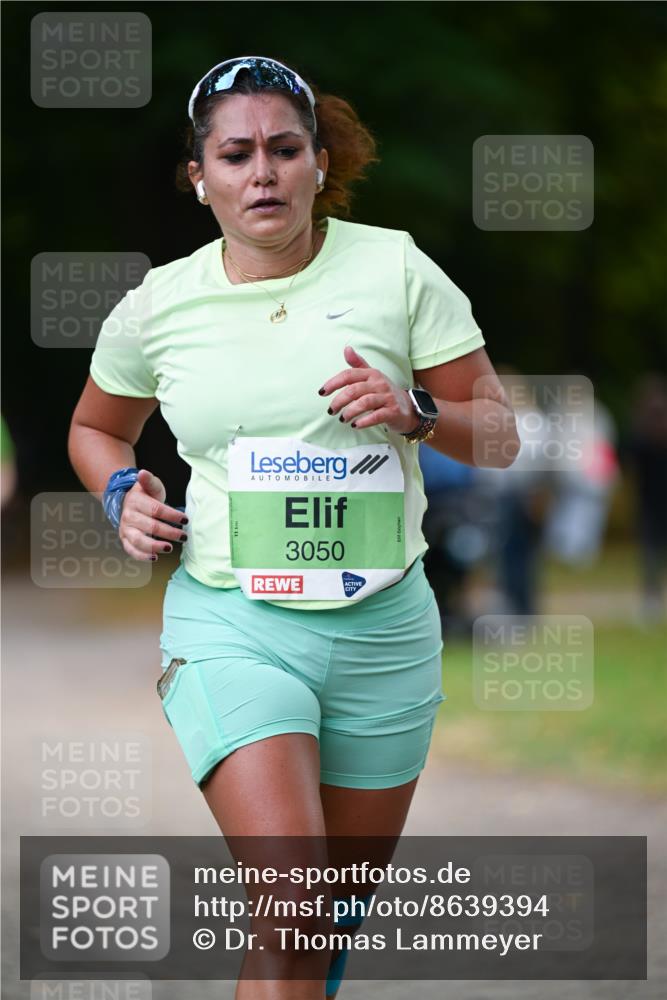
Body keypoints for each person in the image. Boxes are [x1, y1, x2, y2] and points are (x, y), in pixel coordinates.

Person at [68, 55, 519, 1000]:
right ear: (200, 178)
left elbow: (502, 435)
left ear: (321, 164)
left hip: (383, 637)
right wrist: (121, 495)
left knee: (324, 924)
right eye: (235, 155)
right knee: (292, 903)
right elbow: (96, 428)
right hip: (234, 625)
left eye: (283, 149)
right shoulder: (158, 306)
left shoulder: (394, 269)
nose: (261, 173)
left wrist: (415, 412)